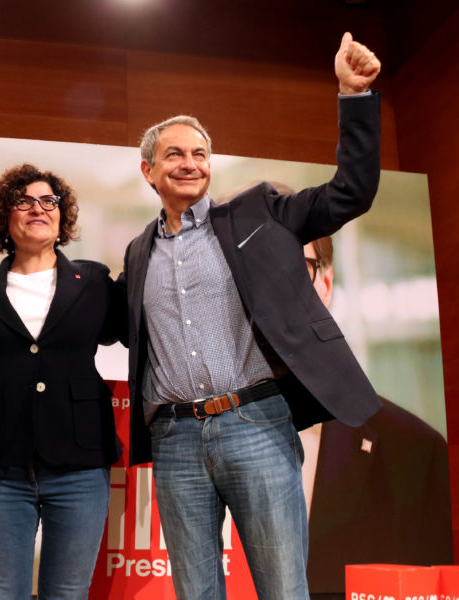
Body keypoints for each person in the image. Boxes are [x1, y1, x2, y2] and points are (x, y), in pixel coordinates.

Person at [118, 32, 382, 598]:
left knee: (283, 590)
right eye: (175, 154)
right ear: (148, 171)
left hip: (255, 425)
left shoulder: (259, 213)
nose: (190, 164)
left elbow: (350, 193)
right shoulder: (138, 252)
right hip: (174, 439)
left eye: (199, 154)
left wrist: (353, 97)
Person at [0, 164, 124, 600]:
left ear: (62, 216)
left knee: (67, 593)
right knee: (1, 592)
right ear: (4, 217)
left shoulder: (96, 281)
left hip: (79, 466)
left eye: (49, 200)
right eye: (23, 201)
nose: (37, 208)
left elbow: (127, 330)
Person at [299, 236, 453, 596]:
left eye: (296, 269)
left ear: (325, 283)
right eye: (254, 271)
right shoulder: (178, 448)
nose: (274, 290)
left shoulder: (413, 454)